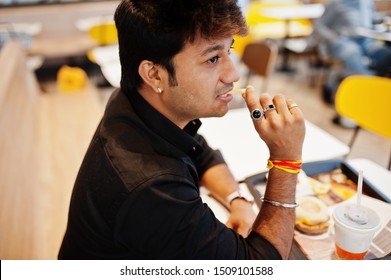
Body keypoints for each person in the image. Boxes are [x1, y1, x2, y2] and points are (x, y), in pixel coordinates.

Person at [58, 0, 305, 260]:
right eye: (212, 59)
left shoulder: (133, 102)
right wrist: (285, 159)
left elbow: (200, 153)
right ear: (154, 74)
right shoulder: (152, 187)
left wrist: (237, 200)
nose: (233, 75)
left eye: (228, 51)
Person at [311, 0, 391, 104]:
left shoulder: (367, 2)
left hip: (367, 39)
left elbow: (373, 19)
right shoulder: (335, 4)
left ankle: (340, 78)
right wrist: (333, 38)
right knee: (353, 54)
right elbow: (319, 26)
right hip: (343, 41)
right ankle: (370, 85)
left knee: (385, 54)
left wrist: (385, 17)